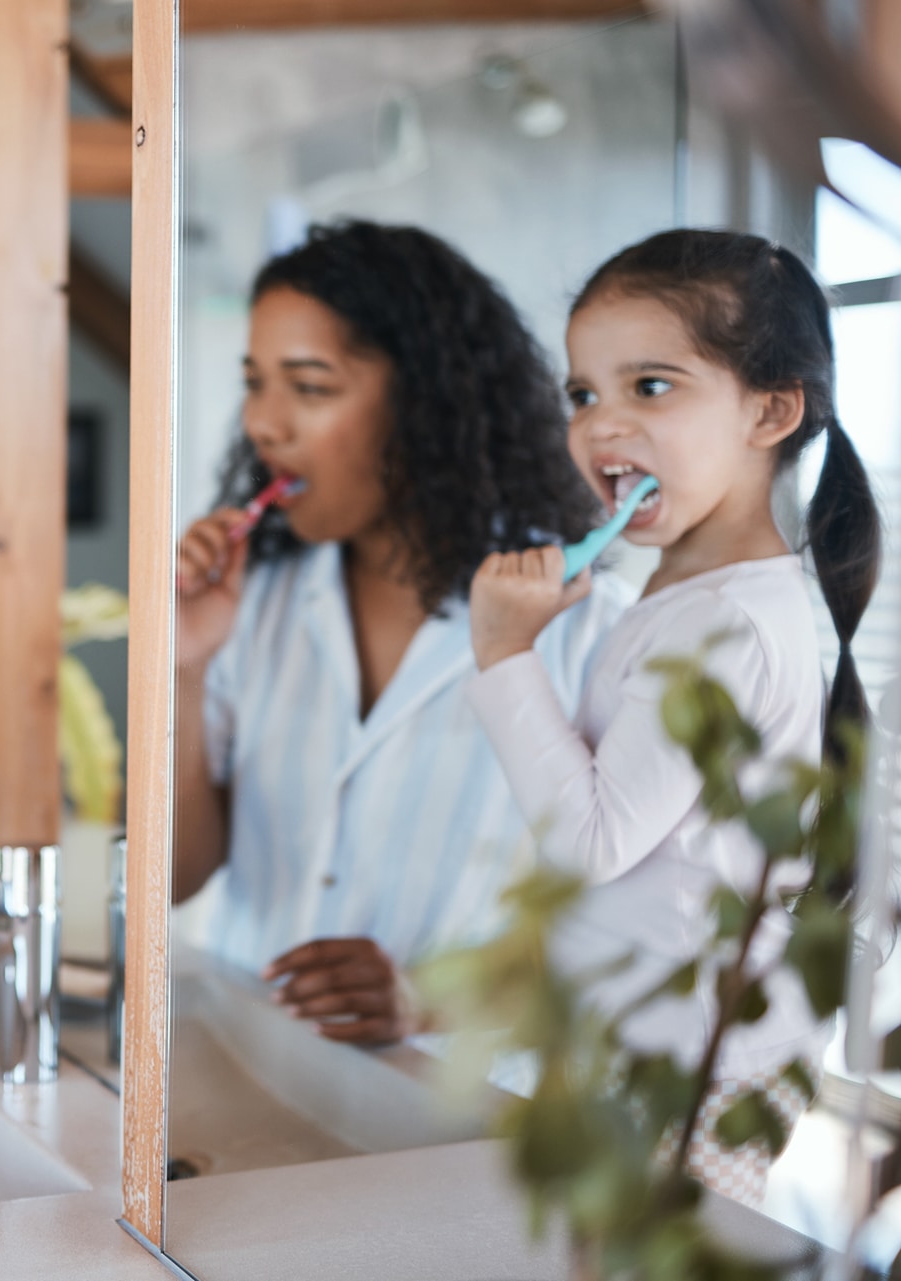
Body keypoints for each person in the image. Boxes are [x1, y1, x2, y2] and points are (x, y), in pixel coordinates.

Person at [466, 229, 876, 1204]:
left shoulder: (725, 621)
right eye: (582, 393)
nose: (601, 426)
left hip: (680, 1083)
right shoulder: (701, 599)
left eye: (651, 386)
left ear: (771, 412)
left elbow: (593, 841)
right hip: (659, 1058)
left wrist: (502, 653)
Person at [174, 221, 629, 1043]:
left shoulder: (584, 630)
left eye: (310, 387)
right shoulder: (253, 606)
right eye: (255, 382)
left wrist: (426, 997)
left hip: (452, 1129)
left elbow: (625, 933)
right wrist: (180, 671)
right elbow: (171, 878)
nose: (265, 425)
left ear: (426, 403)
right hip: (251, 1078)